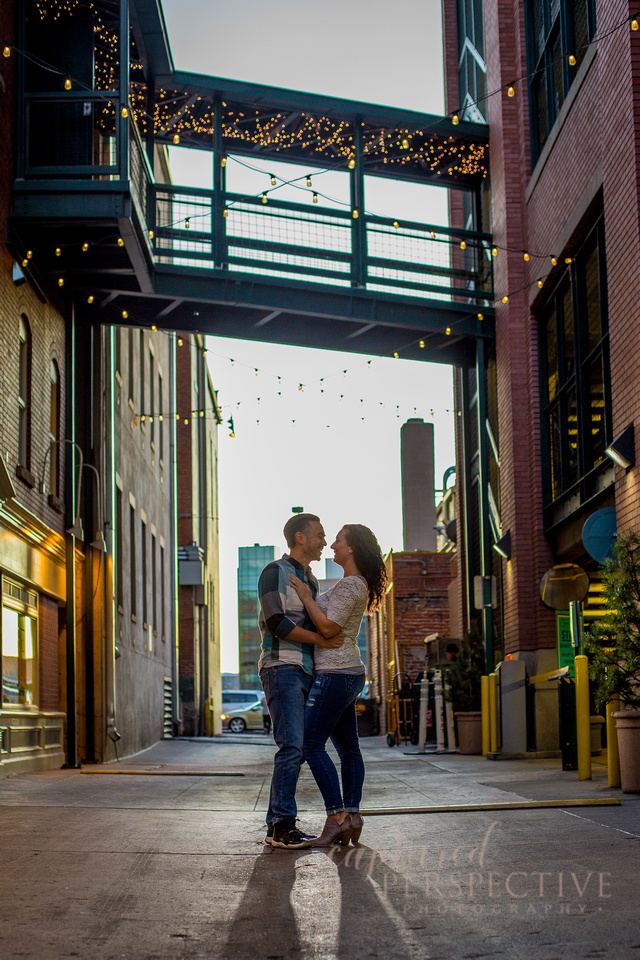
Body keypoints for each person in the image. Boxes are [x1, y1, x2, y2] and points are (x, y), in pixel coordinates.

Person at [288, 524, 387, 847]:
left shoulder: (349, 585)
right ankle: (353, 815)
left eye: (339, 541)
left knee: (311, 745)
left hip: (335, 673)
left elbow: (329, 628)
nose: (332, 544)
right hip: (346, 672)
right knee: (348, 748)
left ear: (352, 548)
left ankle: (338, 817)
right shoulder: (355, 584)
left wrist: (305, 596)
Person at [258, 513, 343, 850]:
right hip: (282, 667)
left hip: (306, 671)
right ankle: (282, 827)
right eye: (319, 535)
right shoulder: (274, 572)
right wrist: (320, 641)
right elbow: (276, 621)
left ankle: (276, 824)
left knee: (300, 748)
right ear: (300, 537)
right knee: (292, 746)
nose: (324, 541)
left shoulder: (310, 579)